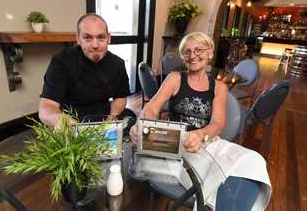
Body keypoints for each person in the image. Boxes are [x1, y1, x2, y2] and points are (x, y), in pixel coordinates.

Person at [130, 32, 271, 210]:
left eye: (199, 50)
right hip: (175, 142)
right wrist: (140, 124)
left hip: (207, 141)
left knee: (254, 160)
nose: (193, 55)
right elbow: (152, 108)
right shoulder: (175, 78)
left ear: (210, 53)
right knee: (218, 179)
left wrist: (200, 134)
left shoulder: (219, 87)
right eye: (187, 52)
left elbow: (218, 124)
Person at [39, 13, 134, 127]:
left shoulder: (117, 63)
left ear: (109, 38)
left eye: (101, 37)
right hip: (71, 120)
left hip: (103, 118)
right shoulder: (61, 62)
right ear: (78, 39)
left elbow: (120, 97)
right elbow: (47, 106)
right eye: (88, 38)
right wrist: (61, 121)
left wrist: (112, 117)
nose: (95, 45)